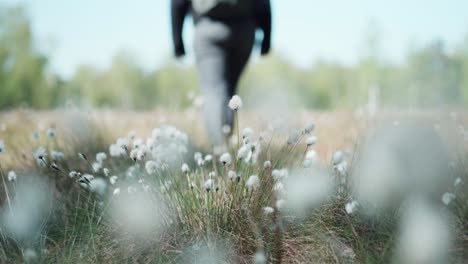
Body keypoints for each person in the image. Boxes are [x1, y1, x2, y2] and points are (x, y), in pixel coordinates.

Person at [171, 0, 272, 147]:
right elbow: (264, 3)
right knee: (229, 93)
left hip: (208, 29)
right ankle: (227, 148)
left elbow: (178, 3)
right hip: (244, 32)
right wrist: (266, 38)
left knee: (214, 91)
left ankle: (219, 151)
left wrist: (177, 42)